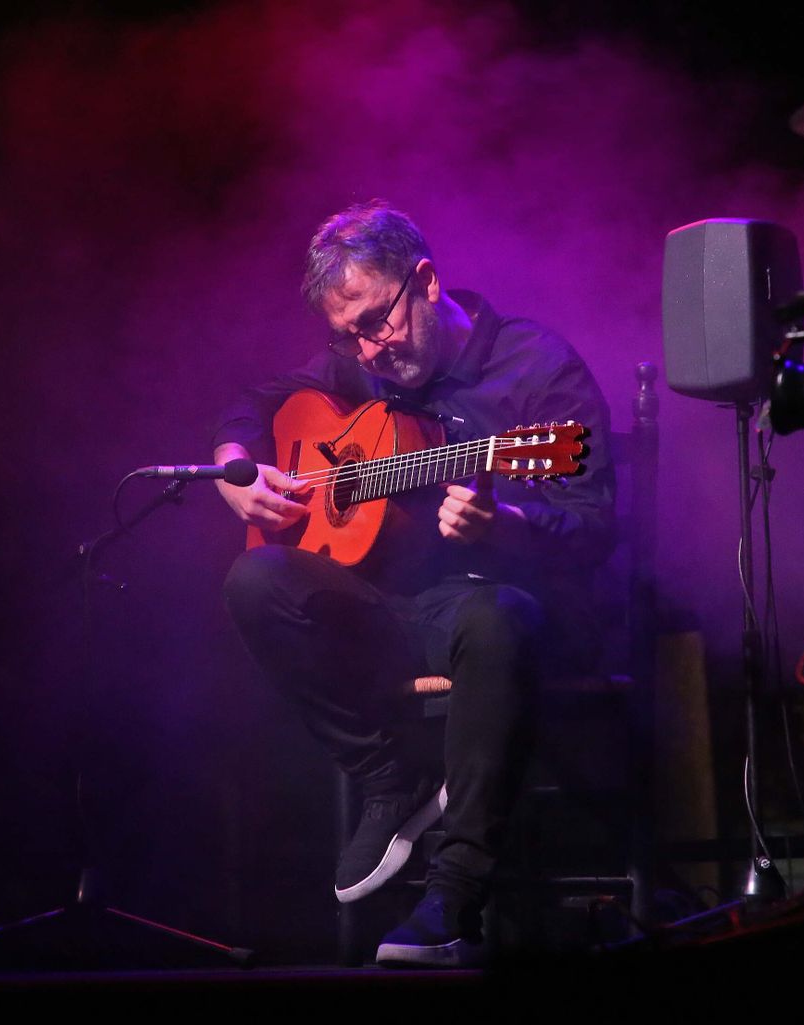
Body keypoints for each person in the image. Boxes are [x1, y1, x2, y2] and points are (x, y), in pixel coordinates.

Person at [213, 200, 615, 966]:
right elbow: (255, 402)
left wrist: (507, 525)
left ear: (426, 282)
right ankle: (387, 774)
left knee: (496, 619)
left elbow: (593, 527)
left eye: (376, 322)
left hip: (499, 612)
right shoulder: (360, 362)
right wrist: (237, 469)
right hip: (393, 613)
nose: (368, 350)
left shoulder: (539, 367)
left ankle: (455, 895)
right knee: (256, 578)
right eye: (348, 335)